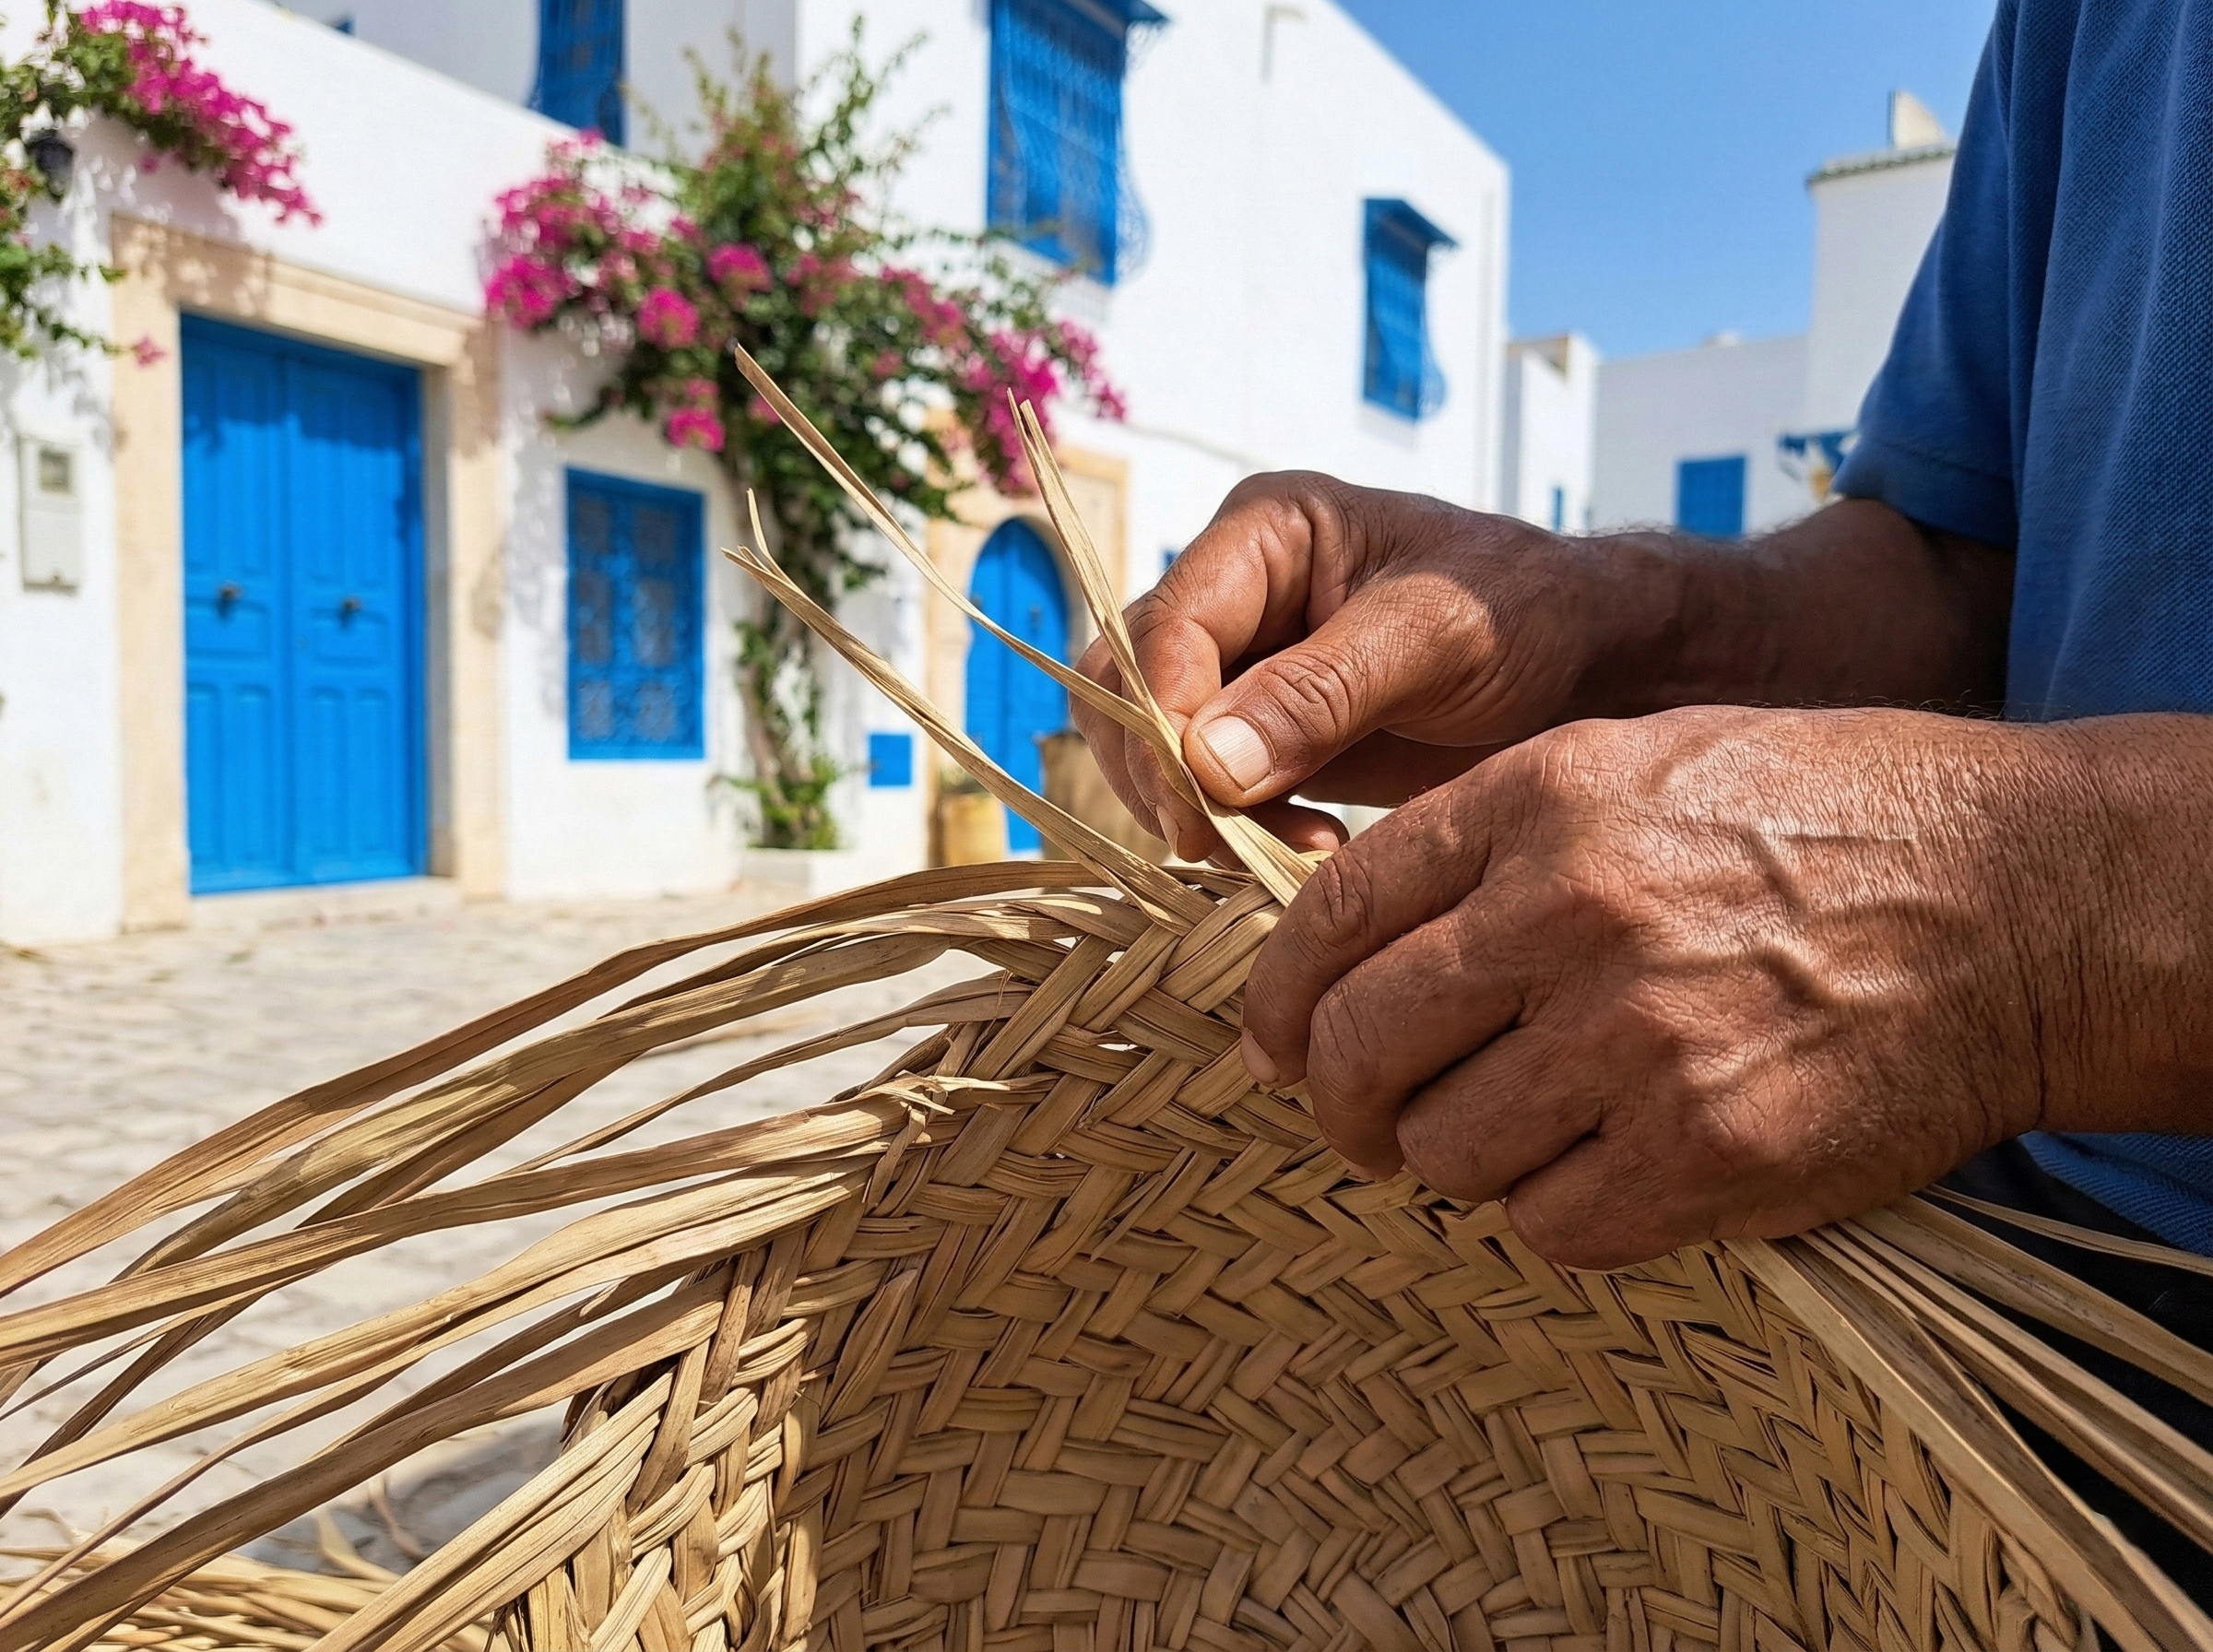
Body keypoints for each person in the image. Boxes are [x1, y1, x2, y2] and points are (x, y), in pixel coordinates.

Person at [1073, 0, 2213, 1566]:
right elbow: (1969, 557)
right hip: (2016, 1290)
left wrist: (2031, 923)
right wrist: (1609, 619)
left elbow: (2013, 895)